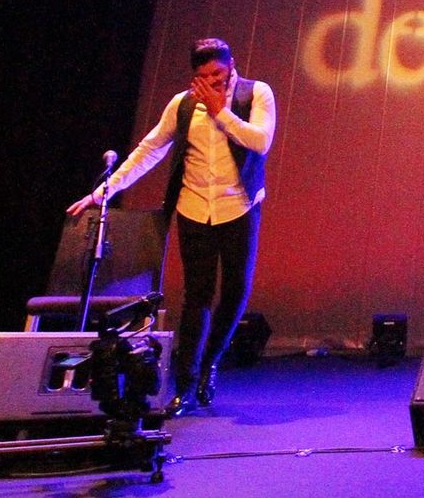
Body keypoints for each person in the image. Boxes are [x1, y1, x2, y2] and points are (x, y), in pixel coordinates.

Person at [69, 38, 277, 416]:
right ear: (194, 76)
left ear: (231, 67)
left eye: (219, 74)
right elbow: (149, 150)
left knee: (235, 293)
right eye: (204, 77)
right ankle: (184, 382)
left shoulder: (256, 93)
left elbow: (260, 141)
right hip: (194, 208)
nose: (213, 82)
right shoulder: (181, 105)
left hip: (240, 207)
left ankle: (210, 362)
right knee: (196, 298)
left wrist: (221, 112)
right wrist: (103, 192)